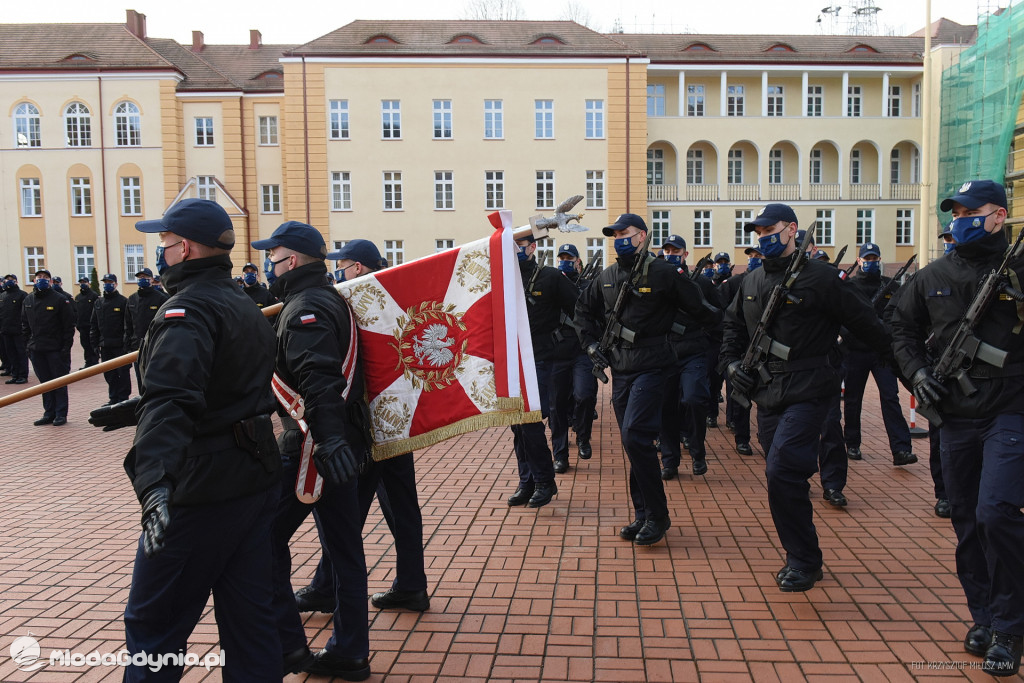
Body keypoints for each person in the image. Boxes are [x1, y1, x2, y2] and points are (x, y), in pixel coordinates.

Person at [118, 197, 283, 681]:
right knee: (250, 624)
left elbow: (173, 400)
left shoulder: (187, 310)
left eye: (164, 243)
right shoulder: (239, 300)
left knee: (153, 625)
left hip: (202, 487)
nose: (160, 252)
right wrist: (135, 407)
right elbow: (225, 385)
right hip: (252, 474)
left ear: (185, 248)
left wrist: (154, 484)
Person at [892, 180, 1024, 676]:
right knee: (968, 520)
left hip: (1011, 408)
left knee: (996, 511)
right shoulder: (932, 275)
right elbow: (899, 330)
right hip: (956, 417)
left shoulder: (1018, 267)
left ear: (998, 216)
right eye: (956, 211)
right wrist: (919, 373)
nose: (960, 219)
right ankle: (985, 617)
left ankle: (1012, 627)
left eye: (971, 211)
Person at [721, 203, 890, 591]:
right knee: (780, 476)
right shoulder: (751, 281)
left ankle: (803, 559)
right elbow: (731, 328)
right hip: (768, 393)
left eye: (769, 229)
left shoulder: (822, 278)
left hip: (811, 389)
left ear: (792, 230)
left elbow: (866, 322)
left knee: (782, 469)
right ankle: (804, 555)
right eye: (757, 231)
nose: (762, 236)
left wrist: (903, 364)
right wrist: (731, 366)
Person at [253, 221, 373, 681]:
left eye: (274, 256)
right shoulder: (326, 297)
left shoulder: (307, 308)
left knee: (262, 542)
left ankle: (288, 645)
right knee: (345, 552)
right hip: (337, 440)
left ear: (295, 260)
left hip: (313, 448)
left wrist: (328, 439)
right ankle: (350, 650)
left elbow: (319, 377)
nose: (269, 264)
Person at [293, 239, 431, 615]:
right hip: (396, 416)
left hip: (370, 421)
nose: (340, 271)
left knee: (348, 510)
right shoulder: (388, 294)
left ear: (357, 268)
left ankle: (326, 587)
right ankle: (411, 584)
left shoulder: (362, 298)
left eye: (345, 264)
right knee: (402, 507)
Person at [576, 214, 721, 546]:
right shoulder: (608, 276)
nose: (618, 239)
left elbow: (703, 309)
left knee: (634, 435)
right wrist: (591, 344)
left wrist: (706, 348)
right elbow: (583, 311)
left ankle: (658, 515)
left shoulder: (664, 273)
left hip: (654, 368)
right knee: (633, 442)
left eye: (624, 233)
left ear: (641, 236)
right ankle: (643, 514)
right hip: (621, 370)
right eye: (614, 235)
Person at [507, 233, 575, 501]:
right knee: (516, 424)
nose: (515, 252)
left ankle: (545, 481)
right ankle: (527, 482)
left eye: (520, 247)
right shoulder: (502, 279)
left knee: (530, 420)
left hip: (541, 359)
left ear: (533, 248)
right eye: (511, 248)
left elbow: (579, 307)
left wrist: (569, 343)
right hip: (512, 361)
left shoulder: (550, 277)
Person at [842, 243, 916, 466]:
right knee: (853, 400)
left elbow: (898, 315)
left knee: (890, 398)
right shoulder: (850, 286)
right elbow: (843, 318)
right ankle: (852, 443)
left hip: (881, 353)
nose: (871, 262)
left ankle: (901, 449)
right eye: (867, 258)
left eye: (875, 258)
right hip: (855, 351)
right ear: (859, 260)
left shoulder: (889, 286)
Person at [659, 235, 722, 478]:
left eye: (676, 250)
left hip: (693, 351)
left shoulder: (701, 283)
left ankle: (697, 451)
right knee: (666, 407)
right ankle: (670, 460)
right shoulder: (658, 280)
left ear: (686, 254)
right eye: (667, 250)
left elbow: (717, 314)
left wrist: (707, 341)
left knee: (695, 399)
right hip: (665, 353)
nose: (671, 253)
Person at [547, 243, 598, 472]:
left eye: (570, 258)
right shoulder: (551, 284)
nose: (565, 261)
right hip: (556, 354)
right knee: (556, 406)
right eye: (562, 258)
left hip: (581, 351)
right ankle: (560, 455)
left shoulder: (588, 286)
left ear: (578, 261)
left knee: (585, 395)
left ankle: (583, 436)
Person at [717, 246, 762, 456]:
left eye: (758, 256)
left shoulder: (771, 282)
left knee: (765, 397)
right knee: (741, 394)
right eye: (751, 257)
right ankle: (742, 438)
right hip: (743, 347)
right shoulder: (736, 283)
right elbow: (727, 316)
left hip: (765, 348)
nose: (754, 260)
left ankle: (764, 435)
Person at [21, 269, 75, 426]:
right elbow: (24, 325)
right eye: (39, 277)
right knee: (44, 383)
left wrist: (65, 348)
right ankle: (49, 413)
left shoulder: (60, 299)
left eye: (45, 278)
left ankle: (60, 414)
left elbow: (68, 326)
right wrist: (28, 346)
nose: (42, 280)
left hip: (55, 350)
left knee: (58, 382)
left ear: (51, 281)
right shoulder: (28, 300)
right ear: (34, 280)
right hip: (36, 349)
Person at [125, 267, 170, 389]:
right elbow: (128, 324)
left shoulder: (161, 298)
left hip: (155, 346)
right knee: (141, 379)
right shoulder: (132, 299)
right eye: (140, 278)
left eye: (145, 277)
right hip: (137, 346)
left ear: (151, 279)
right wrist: (128, 345)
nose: (142, 280)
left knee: (156, 380)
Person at [90, 273, 132, 404]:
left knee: (123, 373)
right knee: (109, 373)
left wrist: (127, 344)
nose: (107, 284)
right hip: (105, 344)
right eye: (105, 282)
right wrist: (95, 344)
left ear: (116, 284)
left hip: (120, 345)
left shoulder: (123, 301)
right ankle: (113, 397)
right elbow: (94, 324)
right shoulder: (99, 302)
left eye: (110, 282)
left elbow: (128, 324)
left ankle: (123, 398)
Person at [1, 275, 29, 384]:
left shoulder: (22, 295)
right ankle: (14, 374)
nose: (9, 282)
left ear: (16, 281)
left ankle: (22, 375)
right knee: (11, 354)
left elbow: (26, 313)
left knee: (21, 353)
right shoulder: (3, 295)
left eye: (11, 280)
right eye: (7, 280)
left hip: (18, 331)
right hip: (6, 330)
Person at [74, 277, 100, 368]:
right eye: (81, 282)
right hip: (82, 326)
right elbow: (76, 311)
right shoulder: (78, 297)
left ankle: (95, 361)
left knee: (92, 344)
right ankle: (88, 362)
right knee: (85, 345)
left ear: (88, 283)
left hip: (91, 325)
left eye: (84, 282)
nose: (83, 284)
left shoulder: (93, 295)